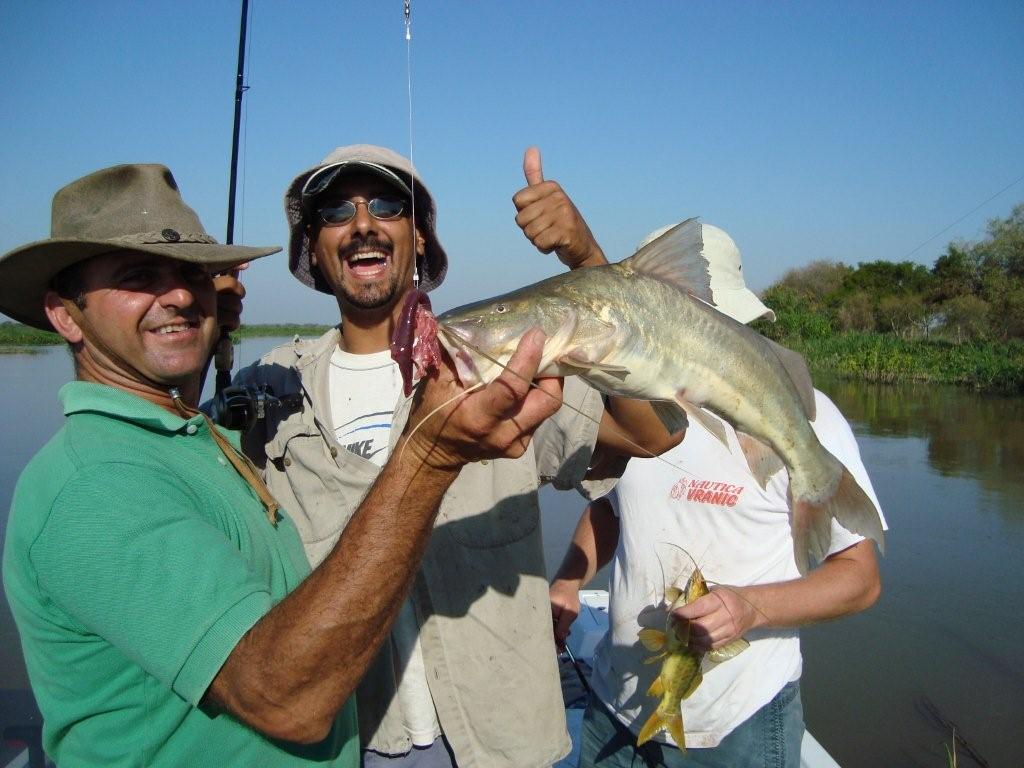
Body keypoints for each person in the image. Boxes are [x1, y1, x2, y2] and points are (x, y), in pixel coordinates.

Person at [0, 163, 568, 767]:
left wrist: (198, 334)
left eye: (193, 274)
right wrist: (431, 452)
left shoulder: (193, 439)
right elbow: (286, 699)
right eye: (140, 277)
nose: (179, 294)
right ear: (64, 314)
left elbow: (643, 432)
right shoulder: (97, 484)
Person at [233, 144, 680, 768]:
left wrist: (588, 264)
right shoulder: (268, 388)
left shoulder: (505, 363)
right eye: (336, 211)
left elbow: (653, 433)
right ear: (313, 246)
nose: (363, 223)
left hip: (503, 743)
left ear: (419, 238)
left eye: (388, 205)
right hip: (355, 742)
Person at [548, 223, 887, 768]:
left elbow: (860, 578)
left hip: (740, 723)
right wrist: (568, 579)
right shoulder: (630, 408)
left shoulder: (810, 416)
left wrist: (752, 608)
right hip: (614, 711)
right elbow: (610, 509)